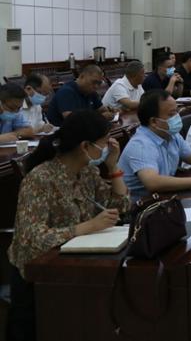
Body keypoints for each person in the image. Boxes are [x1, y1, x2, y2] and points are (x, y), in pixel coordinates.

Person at [7, 110, 129, 341]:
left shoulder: (87, 171)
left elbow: (121, 206)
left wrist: (113, 167)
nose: (108, 147)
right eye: (105, 143)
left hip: (76, 262)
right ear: (85, 146)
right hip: (37, 276)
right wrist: (87, 227)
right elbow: (32, 238)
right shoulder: (41, 178)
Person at [44, 65, 115, 126]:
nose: (96, 86)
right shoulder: (66, 92)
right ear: (81, 76)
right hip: (63, 132)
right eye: (94, 82)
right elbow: (72, 120)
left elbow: (102, 110)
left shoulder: (91, 92)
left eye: (99, 83)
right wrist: (100, 117)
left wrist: (110, 111)